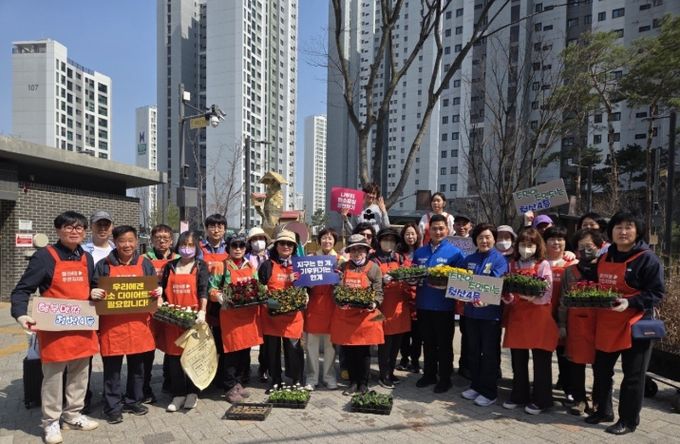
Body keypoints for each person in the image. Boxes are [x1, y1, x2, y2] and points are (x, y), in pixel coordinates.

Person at [11, 211, 100, 444]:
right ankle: (50, 422)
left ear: (85, 231)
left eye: (79, 227)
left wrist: (94, 290)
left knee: (80, 376)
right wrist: (21, 314)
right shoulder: (44, 256)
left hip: (82, 327)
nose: (74, 231)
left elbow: (92, 284)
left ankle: (73, 415)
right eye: (68, 227)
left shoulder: (87, 257)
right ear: (58, 230)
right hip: (54, 330)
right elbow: (22, 289)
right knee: (53, 379)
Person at [586, 211, 664, 435]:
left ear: (637, 231)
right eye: (618, 227)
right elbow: (593, 283)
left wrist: (630, 302)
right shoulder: (604, 257)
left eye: (629, 227)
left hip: (635, 323)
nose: (623, 231)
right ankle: (603, 411)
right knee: (601, 370)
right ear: (611, 231)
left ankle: (628, 421)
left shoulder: (647, 259)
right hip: (607, 322)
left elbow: (656, 293)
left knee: (633, 376)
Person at [90, 225, 159, 424]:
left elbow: (153, 288)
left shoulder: (145, 264)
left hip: (139, 326)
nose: (126, 245)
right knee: (112, 370)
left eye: (130, 240)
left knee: (138, 368)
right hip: (112, 328)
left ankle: (133, 401)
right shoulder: (103, 265)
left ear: (136, 242)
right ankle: (112, 407)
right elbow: (93, 287)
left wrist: (158, 292)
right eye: (122, 241)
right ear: (115, 242)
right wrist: (93, 293)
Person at [502, 227, 557, 415]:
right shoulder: (512, 264)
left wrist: (532, 297)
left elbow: (547, 293)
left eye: (530, 245)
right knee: (518, 359)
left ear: (537, 246)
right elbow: (510, 294)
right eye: (523, 244)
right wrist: (507, 297)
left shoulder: (543, 265)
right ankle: (519, 395)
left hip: (539, 316)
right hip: (518, 316)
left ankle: (542, 399)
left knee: (541, 360)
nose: (526, 249)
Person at [412, 214, 465, 393]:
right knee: (427, 343)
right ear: (429, 230)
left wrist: (448, 284)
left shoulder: (455, 253)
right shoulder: (420, 252)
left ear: (447, 230)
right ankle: (429, 374)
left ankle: (445, 378)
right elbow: (413, 274)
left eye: (441, 228)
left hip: (444, 307)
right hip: (423, 305)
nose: (438, 231)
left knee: (444, 345)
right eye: (434, 228)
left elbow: (462, 280)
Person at [159, 231, 209, 412]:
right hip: (172, 318)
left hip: (193, 319)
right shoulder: (170, 266)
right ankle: (178, 393)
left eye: (190, 245)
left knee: (193, 356)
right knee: (174, 357)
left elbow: (203, 290)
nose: (186, 248)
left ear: (196, 247)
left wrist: (202, 311)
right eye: (183, 244)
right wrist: (159, 298)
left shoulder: (201, 266)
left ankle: (193, 392)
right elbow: (162, 288)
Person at [460, 223, 508, 407]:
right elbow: (461, 280)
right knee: (473, 351)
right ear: (475, 240)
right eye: (480, 237)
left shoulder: (499, 260)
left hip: (490, 316)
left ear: (494, 239)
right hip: (471, 313)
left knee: (489, 354)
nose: (484, 241)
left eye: (488, 237)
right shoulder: (469, 259)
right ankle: (476, 385)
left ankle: (489, 391)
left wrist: (484, 296)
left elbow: (496, 283)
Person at [209, 234, 262, 403]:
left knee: (244, 351)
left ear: (246, 248)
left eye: (241, 246)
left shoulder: (251, 266)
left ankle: (238, 382)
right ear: (229, 248)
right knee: (230, 352)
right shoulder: (221, 266)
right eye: (234, 246)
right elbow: (212, 289)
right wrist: (219, 297)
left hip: (247, 316)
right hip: (230, 317)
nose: (238, 249)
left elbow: (257, 286)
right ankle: (229, 386)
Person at [330, 234, 384, 395]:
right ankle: (353, 383)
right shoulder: (343, 267)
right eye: (353, 250)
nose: (357, 253)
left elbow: (379, 291)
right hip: (346, 317)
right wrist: (339, 299)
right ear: (349, 252)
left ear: (366, 251)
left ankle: (363, 383)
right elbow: (337, 288)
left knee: (364, 352)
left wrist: (374, 303)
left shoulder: (374, 268)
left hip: (365, 317)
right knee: (349, 351)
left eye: (360, 249)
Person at [557, 228, 603, 416]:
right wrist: (562, 325)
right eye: (580, 247)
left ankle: (599, 400)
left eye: (589, 246)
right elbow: (563, 300)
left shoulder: (605, 269)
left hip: (600, 323)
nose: (585, 251)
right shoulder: (570, 272)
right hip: (576, 322)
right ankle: (579, 399)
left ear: (599, 246)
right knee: (576, 363)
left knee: (601, 366)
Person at [258, 230, 306, 392]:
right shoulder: (267, 265)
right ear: (276, 246)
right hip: (271, 315)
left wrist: (297, 284)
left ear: (294, 247)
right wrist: (273, 304)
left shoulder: (300, 265)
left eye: (290, 244)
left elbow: (307, 289)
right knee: (272, 350)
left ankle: (296, 379)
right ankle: (276, 379)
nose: (286, 246)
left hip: (293, 317)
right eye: (282, 243)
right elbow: (261, 290)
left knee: (294, 349)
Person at [143, 224, 179, 402]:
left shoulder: (179, 258)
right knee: (147, 348)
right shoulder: (143, 259)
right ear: (152, 240)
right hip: (150, 309)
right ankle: (145, 387)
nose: (162, 241)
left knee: (171, 346)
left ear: (171, 240)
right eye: (158, 238)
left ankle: (170, 381)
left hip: (172, 308)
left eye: (165, 238)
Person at [372, 228, 411, 389]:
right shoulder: (373, 260)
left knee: (396, 343)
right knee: (385, 343)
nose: (388, 242)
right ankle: (383, 374)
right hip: (383, 307)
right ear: (379, 241)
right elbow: (368, 282)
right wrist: (382, 281)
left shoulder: (400, 258)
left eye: (392, 240)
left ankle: (391, 371)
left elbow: (410, 273)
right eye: (385, 239)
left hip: (400, 306)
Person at [303, 228, 342, 390]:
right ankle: (311, 377)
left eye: (330, 238)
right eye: (324, 238)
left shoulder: (340, 260)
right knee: (311, 345)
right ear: (319, 241)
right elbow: (303, 283)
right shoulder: (310, 258)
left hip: (333, 306)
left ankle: (329, 376)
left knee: (330, 345)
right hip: (314, 305)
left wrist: (339, 278)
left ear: (335, 241)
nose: (327, 241)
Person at [543, 226, 579, 401]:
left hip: (564, 317)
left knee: (564, 354)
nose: (556, 242)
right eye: (552, 239)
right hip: (543, 316)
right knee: (543, 355)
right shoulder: (539, 261)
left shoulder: (572, 263)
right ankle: (543, 388)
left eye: (560, 239)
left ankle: (568, 388)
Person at [198, 214, 229, 385]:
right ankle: (202, 377)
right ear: (206, 228)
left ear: (224, 229)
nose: (216, 230)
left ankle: (220, 376)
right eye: (212, 226)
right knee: (202, 339)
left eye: (219, 227)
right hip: (202, 298)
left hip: (221, 300)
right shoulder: (199, 248)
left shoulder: (230, 248)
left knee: (220, 337)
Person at [244, 226, 271, 383]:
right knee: (248, 336)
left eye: (261, 238)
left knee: (267, 338)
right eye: (254, 239)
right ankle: (245, 369)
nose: (258, 242)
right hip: (250, 303)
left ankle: (264, 368)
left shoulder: (272, 256)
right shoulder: (245, 258)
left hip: (268, 302)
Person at [396, 223, 422, 373]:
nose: (410, 237)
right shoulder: (398, 255)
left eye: (413, 234)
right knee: (404, 333)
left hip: (418, 298)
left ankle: (415, 361)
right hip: (403, 298)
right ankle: (404, 359)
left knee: (417, 334)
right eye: (407, 234)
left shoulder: (422, 252)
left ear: (417, 235)